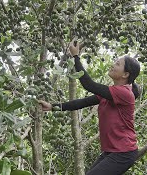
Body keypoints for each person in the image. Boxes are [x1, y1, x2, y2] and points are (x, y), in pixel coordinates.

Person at [39, 39, 141, 175]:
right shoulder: (111, 92)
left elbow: (88, 84)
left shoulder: (124, 93)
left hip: (124, 153)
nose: (112, 65)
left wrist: (76, 56)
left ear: (125, 74)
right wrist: (53, 106)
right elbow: (82, 103)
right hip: (112, 151)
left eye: (117, 64)